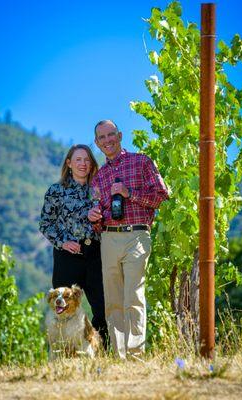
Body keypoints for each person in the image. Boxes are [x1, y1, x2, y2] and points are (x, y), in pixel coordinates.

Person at [88, 120, 168, 359]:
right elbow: (99, 216)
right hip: (109, 238)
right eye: (101, 137)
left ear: (120, 135)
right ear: (97, 143)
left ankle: (135, 355)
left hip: (137, 235)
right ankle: (120, 356)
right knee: (112, 300)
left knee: (133, 295)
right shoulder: (99, 177)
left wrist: (128, 193)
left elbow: (161, 196)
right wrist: (95, 218)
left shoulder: (141, 161)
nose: (107, 140)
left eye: (111, 134)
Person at [39, 144, 108, 348]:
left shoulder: (99, 190)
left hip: (96, 255)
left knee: (103, 309)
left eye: (87, 160)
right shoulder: (56, 191)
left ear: (91, 164)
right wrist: (63, 242)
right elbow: (45, 224)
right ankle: (62, 354)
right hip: (67, 257)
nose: (83, 164)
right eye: (78, 159)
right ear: (69, 164)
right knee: (63, 309)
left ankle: (100, 351)